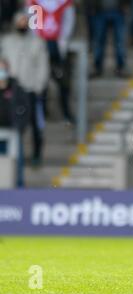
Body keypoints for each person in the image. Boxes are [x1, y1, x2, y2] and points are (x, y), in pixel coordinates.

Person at [1, 12, 50, 166]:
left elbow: (43, 66)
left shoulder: (37, 42)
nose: (22, 24)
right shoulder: (6, 41)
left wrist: (38, 86)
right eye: (19, 21)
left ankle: (36, 153)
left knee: (35, 123)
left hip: (29, 89)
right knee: (11, 124)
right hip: (10, 90)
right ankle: (12, 156)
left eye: (24, 21)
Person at [27, 0, 76, 124]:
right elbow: (32, 22)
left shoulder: (64, 3)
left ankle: (65, 112)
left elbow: (68, 21)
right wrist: (37, 43)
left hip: (57, 45)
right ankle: (42, 113)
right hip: (41, 45)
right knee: (41, 82)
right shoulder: (35, 2)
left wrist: (63, 40)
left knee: (62, 81)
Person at [0, 58, 31, 187]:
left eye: (2, 69)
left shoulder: (16, 88)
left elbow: (25, 109)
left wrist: (20, 126)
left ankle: (18, 189)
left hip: (12, 131)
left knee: (17, 162)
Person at [91, 0, 130, 78]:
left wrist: (126, 5)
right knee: (99, 41)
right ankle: (97, 67)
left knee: (120, 41)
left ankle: (121, 67)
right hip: (100, 11)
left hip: (118, 10)